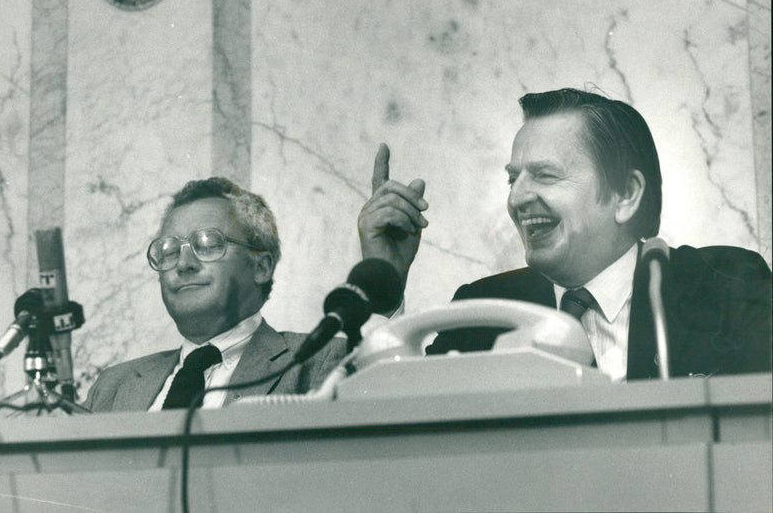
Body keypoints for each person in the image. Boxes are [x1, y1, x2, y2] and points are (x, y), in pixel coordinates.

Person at [358, 88, 772, 381]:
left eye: (545, 175)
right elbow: (402, 440)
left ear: (625, 194)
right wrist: (383, 281)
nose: (518, 198)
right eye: (513, 179)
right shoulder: (481, 314)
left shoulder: (726, 287)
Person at [85, 177, 346, 412]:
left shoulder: (321, 361)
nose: (184, 263)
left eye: (208, 244)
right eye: (169, 250)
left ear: (260, 267)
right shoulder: (112, 386)